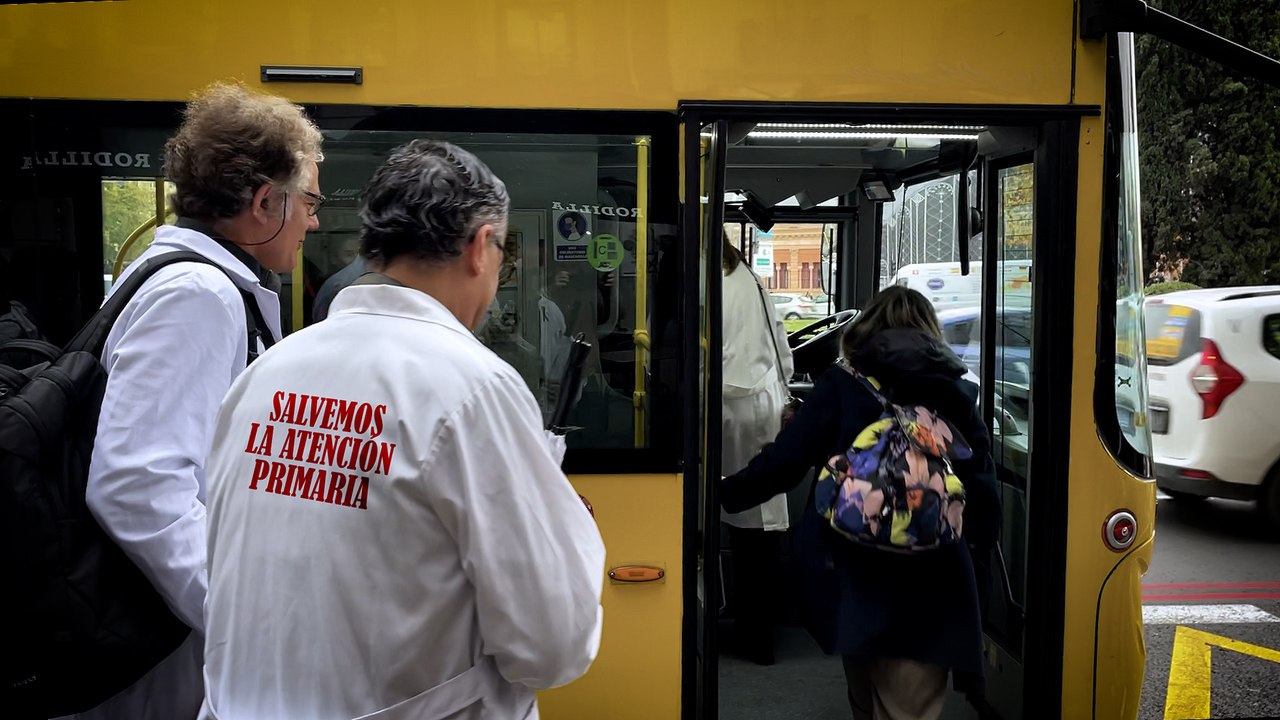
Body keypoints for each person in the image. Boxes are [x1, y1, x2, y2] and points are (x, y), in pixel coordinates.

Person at [200, 139, 606, 720]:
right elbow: (553, 647)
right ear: (480, 246)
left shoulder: (266, 374)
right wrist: (566, 537)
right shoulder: (473, 387)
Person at [75, 82, 323, 720]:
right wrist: (248, 619)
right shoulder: (199, 295)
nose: (315, 221)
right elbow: (136, 484)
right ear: (267, 201)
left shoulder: (188, 280)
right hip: (158, 648)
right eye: (311, 200)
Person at [719, 286, 1000, 720]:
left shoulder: (840, 386)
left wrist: (719, 495)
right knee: (909, 706)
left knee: (865, 696)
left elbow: (784, 463)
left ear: (865, 330)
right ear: (929, 332)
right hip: (935, 577)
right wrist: (977, 553)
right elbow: (980, 485)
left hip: (852, 570)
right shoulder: (954, 392)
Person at [719, 231, 793, 666]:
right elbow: (781, 347)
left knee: (737, 520)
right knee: (756, 527)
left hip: (728, 409)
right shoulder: (747, 277)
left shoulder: (704, 278)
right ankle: (757, 636)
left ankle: (746, 634)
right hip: (761, 405)